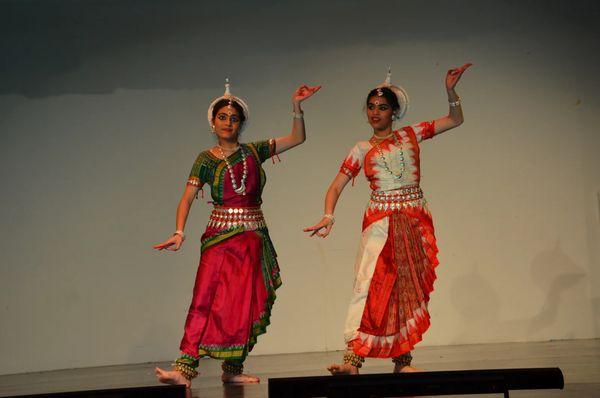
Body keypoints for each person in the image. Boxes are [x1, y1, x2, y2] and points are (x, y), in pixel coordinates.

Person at [304, 64, 471, 374]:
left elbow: (455, 119)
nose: (375, 112)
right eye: (371, 107)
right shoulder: (361, 148)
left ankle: (403, 360)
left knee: (407, 289)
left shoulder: (412, 134)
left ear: (395, 112)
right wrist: (328, 215)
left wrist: (450, 92)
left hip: (413, 220)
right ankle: (353, 359)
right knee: (371, 285)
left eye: (382, 107)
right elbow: (336, 185)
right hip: (380, 223)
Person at [154, 80, 320, 387]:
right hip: (219, 237)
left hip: (252, 239)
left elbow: (297, 138)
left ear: (241, 123)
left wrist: (297, 108)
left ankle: (232, 369)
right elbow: (187, 198)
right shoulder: (205, 159)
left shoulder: (254, 152)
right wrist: (179, 231)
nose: (228, 123)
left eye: (233, 118)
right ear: (213, 122)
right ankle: (184, 368)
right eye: (222, 117)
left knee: (243, 305)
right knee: (204, 299)